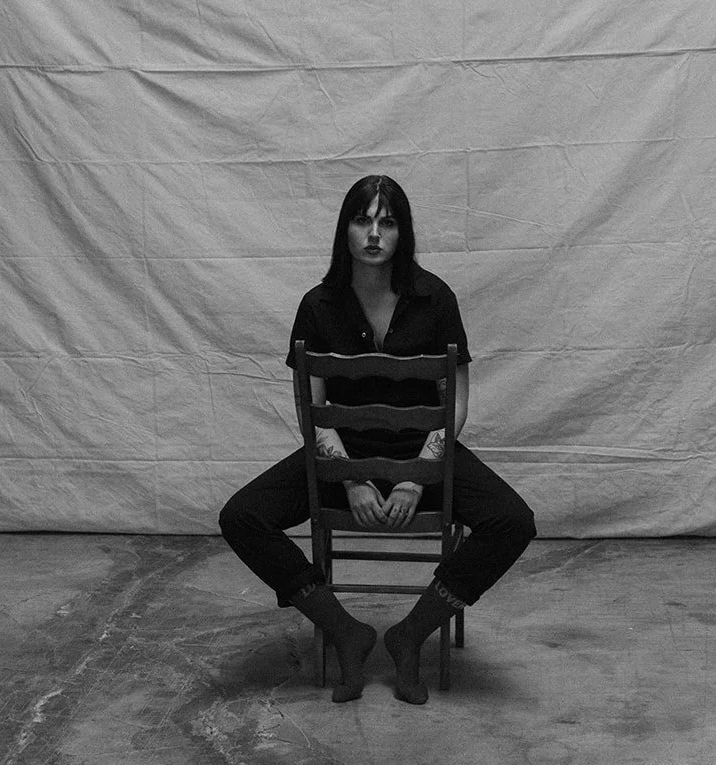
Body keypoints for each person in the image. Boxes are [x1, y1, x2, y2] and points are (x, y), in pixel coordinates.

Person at [218, 175, 536, 705]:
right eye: (362, 220)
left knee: (513, 522)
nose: (373, 234)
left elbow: (455, 404)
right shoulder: (317, 305)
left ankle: (411, 633)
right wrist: (351, 480)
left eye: (386, 222)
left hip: (423, 454)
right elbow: (311, 410)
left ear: (402, 232)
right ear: (344, 230)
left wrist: (416, 479)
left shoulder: (435, 299)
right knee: (241, 517)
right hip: (341, 455)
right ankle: (345, 630)